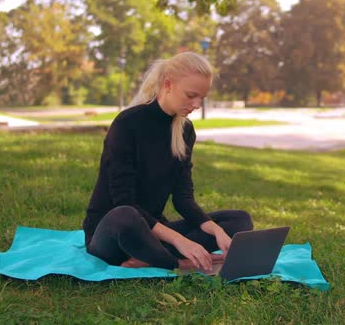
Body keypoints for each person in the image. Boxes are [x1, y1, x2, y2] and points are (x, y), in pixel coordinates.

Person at [82, 52, 253, 272]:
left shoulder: (185, 131)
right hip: (113, 235)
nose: (197, 104)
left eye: (202, 97)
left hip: (152, 233)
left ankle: (150, 257)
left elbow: (183, 199)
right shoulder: (127, 124)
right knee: (126, 215)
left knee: (239, 221)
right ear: (168, 84)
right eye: (191, 95)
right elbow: (123, 200)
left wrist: (216, 231)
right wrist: (180, 242)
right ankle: (178, 262)